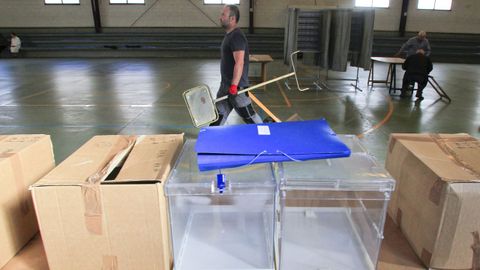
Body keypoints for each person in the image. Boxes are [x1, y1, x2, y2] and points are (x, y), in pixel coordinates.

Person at [209, 5, 263, 126]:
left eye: (223, 14)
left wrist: (234, 86)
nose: (220, 17)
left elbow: (240, 62)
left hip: (236, 89)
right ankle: (212, 138)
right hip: (225, 86)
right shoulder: (230, 35)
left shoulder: (236, 36)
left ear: (232, 19)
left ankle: (266, 137)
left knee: (250, 117)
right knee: (218, 115)